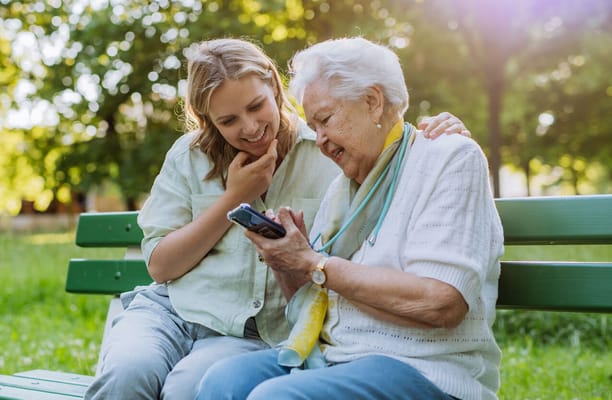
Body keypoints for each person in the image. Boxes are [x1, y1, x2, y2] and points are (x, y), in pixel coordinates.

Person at [84, 37, 472, 400]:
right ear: (207, 120)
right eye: (228, 120)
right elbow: (161, 267)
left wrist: (440, 131)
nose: (249, 128)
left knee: (189, 386)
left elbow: (389, 138)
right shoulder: (189, 156)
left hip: (250, 331)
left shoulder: (330, 153)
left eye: (255, 107)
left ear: (273, 84)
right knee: (126, 374)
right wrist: (234, 198)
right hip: (171, 312)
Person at [195, 37, 504, 400]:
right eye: (314, 125)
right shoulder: (342, 190)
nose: (321, 140)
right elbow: (310, 304)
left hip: (423, 368)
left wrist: (315, 262)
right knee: (222, 384)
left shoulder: (448, 158)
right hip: (337, 357)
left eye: (325, 120)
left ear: (373, 101)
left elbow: (442, 302)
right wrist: (286, 261)